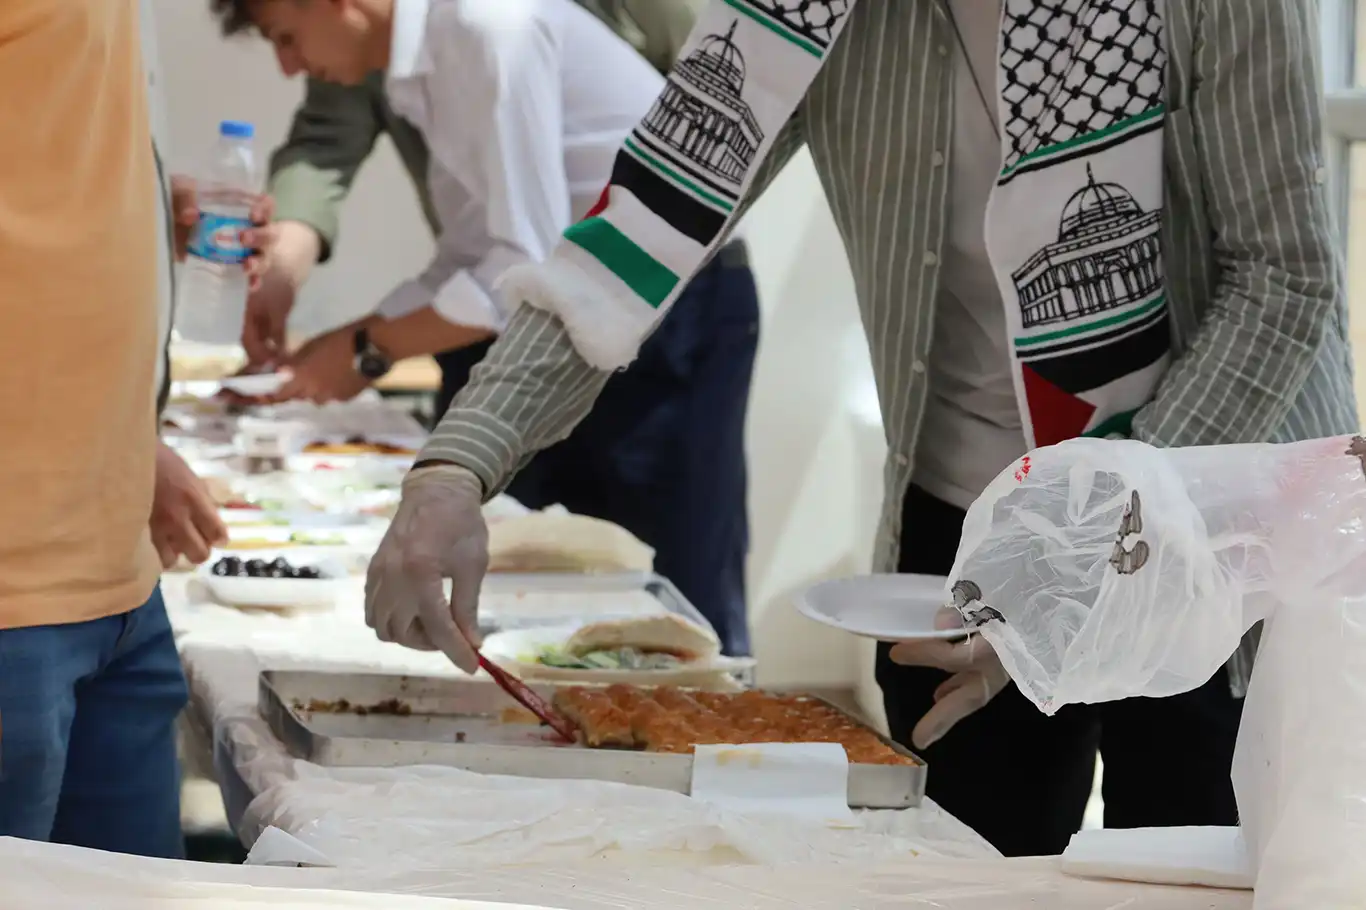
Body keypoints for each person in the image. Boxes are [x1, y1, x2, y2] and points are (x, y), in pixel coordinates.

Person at [363, 0, 1358, 856]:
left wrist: (1084, 558)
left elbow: (1282, 276)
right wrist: (452, 468)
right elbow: (634, 236)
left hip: (1212, 526)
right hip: (968, 540)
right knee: (957, 868)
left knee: (1190, 866)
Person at [210, 0, 757, 655]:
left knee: (673, 590)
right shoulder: (426, 51)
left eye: (287, 38)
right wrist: (353, 342)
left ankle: (722, 748)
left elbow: (516, 267)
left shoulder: (487, 24)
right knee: (539, 591)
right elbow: (477, 249)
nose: (289, 64)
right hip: (567, 304)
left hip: (667, 302)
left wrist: (367, 349)